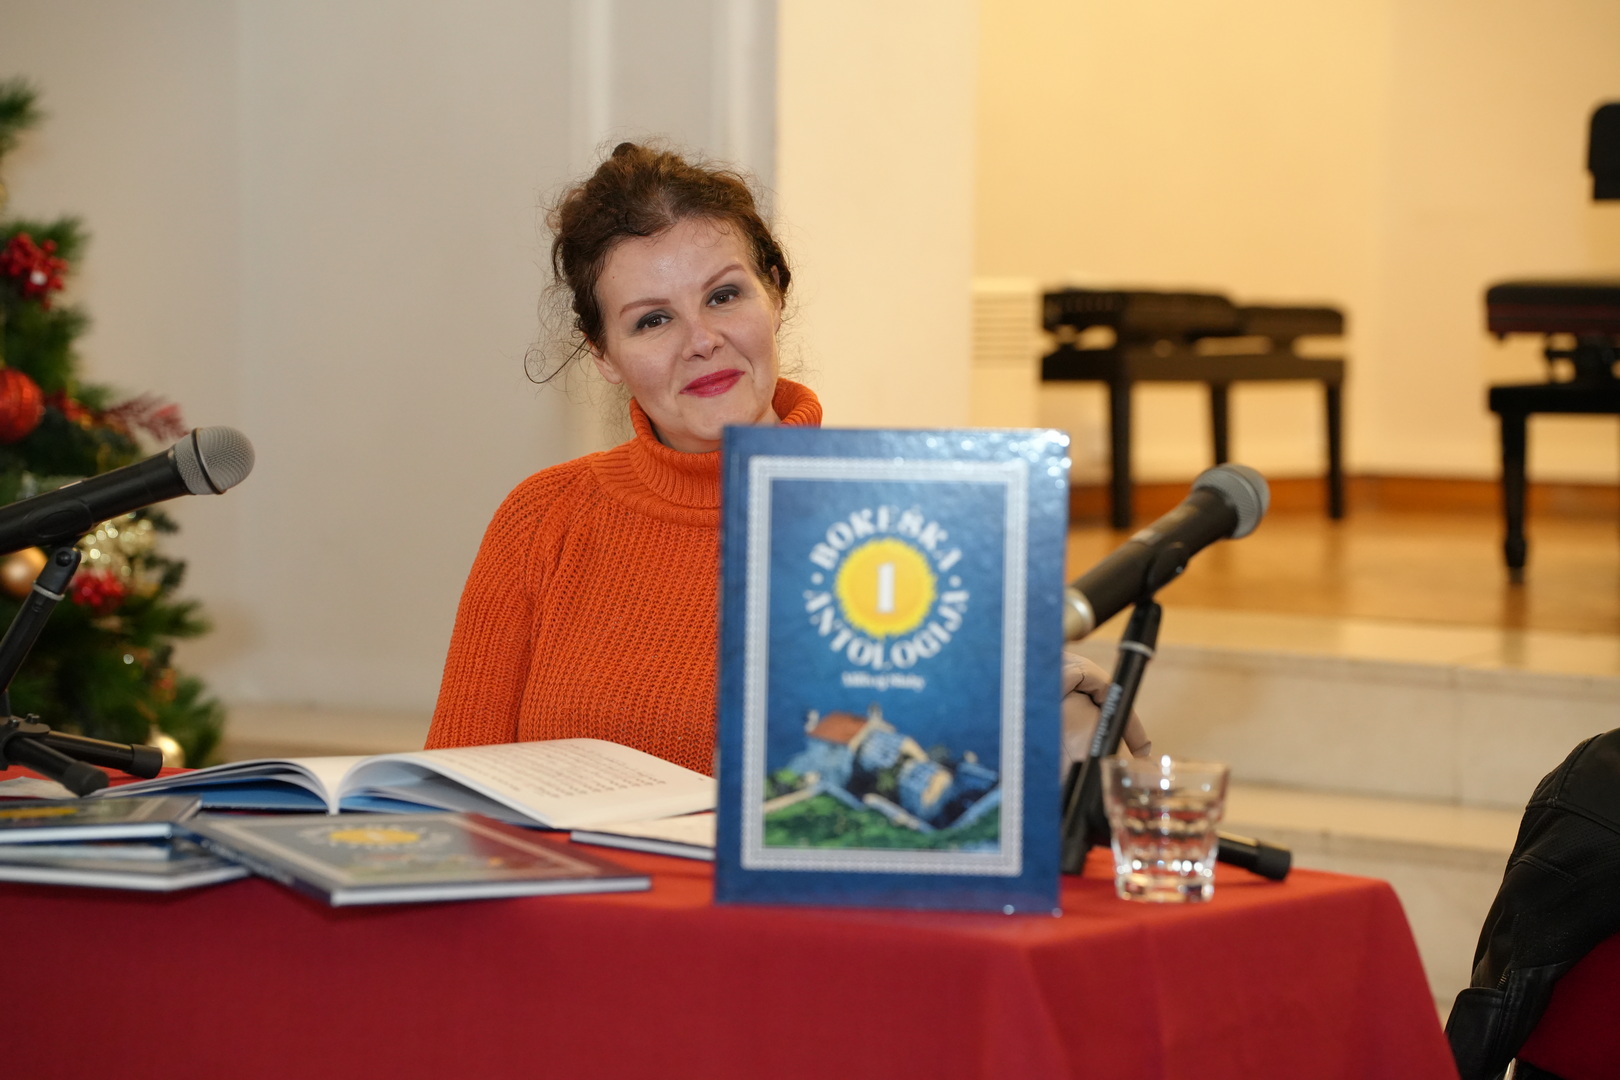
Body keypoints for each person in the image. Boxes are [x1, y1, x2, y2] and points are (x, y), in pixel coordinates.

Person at [426, 142, 1145, 775]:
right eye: (652, 319)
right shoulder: (543, 518)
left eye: (723, 295)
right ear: (604, 356)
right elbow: (453, 794)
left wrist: (1024, 723)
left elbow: (939, 794)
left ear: (774, 293)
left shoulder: (913, 521)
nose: (701, 340)